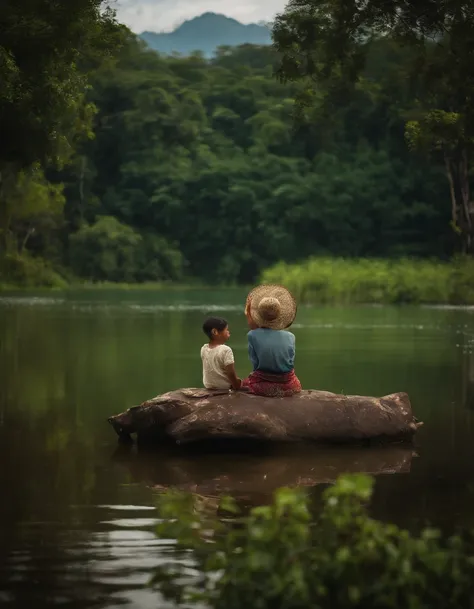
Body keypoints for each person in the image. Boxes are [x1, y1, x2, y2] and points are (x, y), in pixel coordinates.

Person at [242, 284, 302, 397]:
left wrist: (248, 311)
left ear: (259, 313)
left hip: (263, 383)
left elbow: (255, 364)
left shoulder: (252, 335)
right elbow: (290, 360)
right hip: (289, 383)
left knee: (243, 384)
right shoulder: (290, 336)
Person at [201, 317, 242, 390]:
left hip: (209, 386)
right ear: (215, 332)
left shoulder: (204, 348)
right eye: (226, 330)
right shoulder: (225, 350)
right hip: (223, 387)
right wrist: (237, 385)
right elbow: (231, 373)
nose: (228, 332)